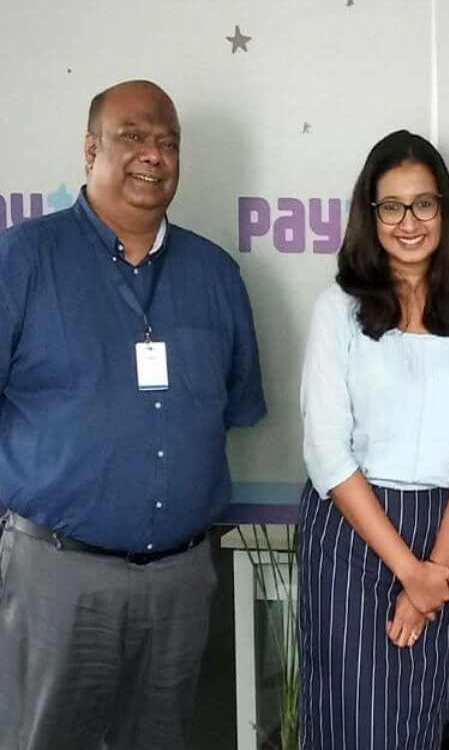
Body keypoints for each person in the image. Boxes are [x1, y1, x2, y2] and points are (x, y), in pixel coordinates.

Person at [0, 80, 266, 749]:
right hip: (57, 577)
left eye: (168, 142)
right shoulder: (23, 258)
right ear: (91, 148)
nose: (154, 153)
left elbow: (232, 406)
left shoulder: (215, 275)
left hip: (180, 584)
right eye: (134, 136)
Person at [296, 130, 449, 750]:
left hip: (440, 534)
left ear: (445, 210)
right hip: (353, 534)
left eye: (423, 204)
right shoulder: (338, 308)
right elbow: (327, 452)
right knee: (353, 723)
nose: (409, 222)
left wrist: (434, 569)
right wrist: (410, 572)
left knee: (417, 722)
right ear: (371, 214)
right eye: (392, 206)